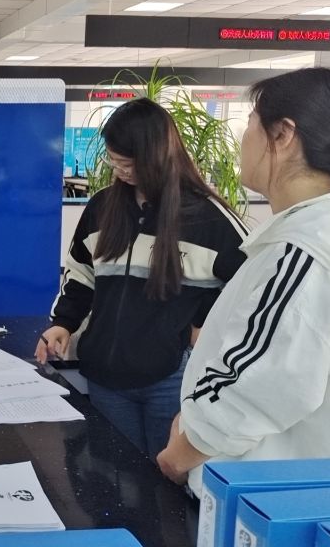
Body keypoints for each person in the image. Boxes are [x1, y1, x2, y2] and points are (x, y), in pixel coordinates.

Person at [157, 68, 330, 495]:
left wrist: (181, 452)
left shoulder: (305, 254)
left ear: (282, 134)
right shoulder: (316, 240)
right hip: (275, 491)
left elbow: (256, 386)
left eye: (250, 123)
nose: (243, 140)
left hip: (261, 496)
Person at [35, 98, 248, 462]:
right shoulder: (102, 208)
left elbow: (249, 284)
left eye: (129, 164)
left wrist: (200, 325)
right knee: (114, 472)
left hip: (170, 379)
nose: (121, 172)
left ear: (159, 155)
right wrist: (63, 323)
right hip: (105, 378)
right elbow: (82, 272)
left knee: (166, 479)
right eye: (114, 161)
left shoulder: (208, 218)